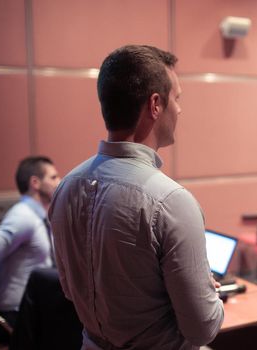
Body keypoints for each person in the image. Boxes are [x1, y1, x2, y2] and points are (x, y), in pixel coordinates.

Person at [48, 45, 223, 350]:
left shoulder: (65, 188)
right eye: (177, 98)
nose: (179, 109)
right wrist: (207, 291)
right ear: (155, 104)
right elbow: (202, 327)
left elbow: (69, 288)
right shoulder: (171, 201)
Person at [0, 156, 60, 344]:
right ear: (35, 183)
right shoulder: (22, 217)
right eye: (53, 177)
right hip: (16, 316)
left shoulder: (39, 215)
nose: (59, 182)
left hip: (34, 309)